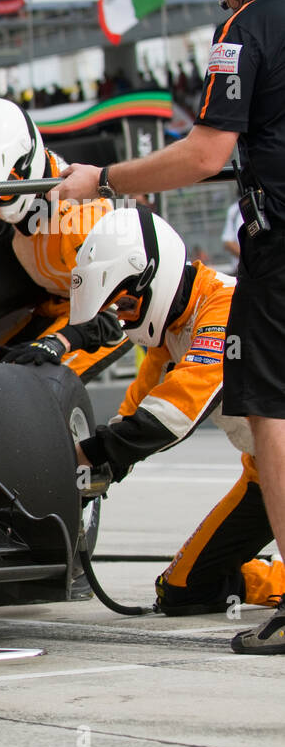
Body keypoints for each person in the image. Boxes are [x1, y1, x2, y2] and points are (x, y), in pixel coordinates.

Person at [58, 0, 285, 652]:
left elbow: (203, 152)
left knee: (275, 419)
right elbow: (134, 396)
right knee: (180, 588)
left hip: (278, 252)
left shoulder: (245, 27)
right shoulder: (162, 331)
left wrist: (106, 180)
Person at [70, 207, 284, 617]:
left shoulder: (225, 305)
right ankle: (277, 581)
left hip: (276, 465)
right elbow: (137, 409)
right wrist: (91, 475)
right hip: (266, 471)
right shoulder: (167, 335)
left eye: (126, 305)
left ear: (153, 276)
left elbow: (174, 414)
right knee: (183, 590)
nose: (123, 318)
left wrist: (89, 454)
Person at [0, 97, 130, 380]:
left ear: (23, 167)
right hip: (53, 305)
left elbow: (122, 309)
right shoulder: (18, 200)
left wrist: (59, 342)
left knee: (25, 388)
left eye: (1, 196)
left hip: (108, 315)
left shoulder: (83, 222)